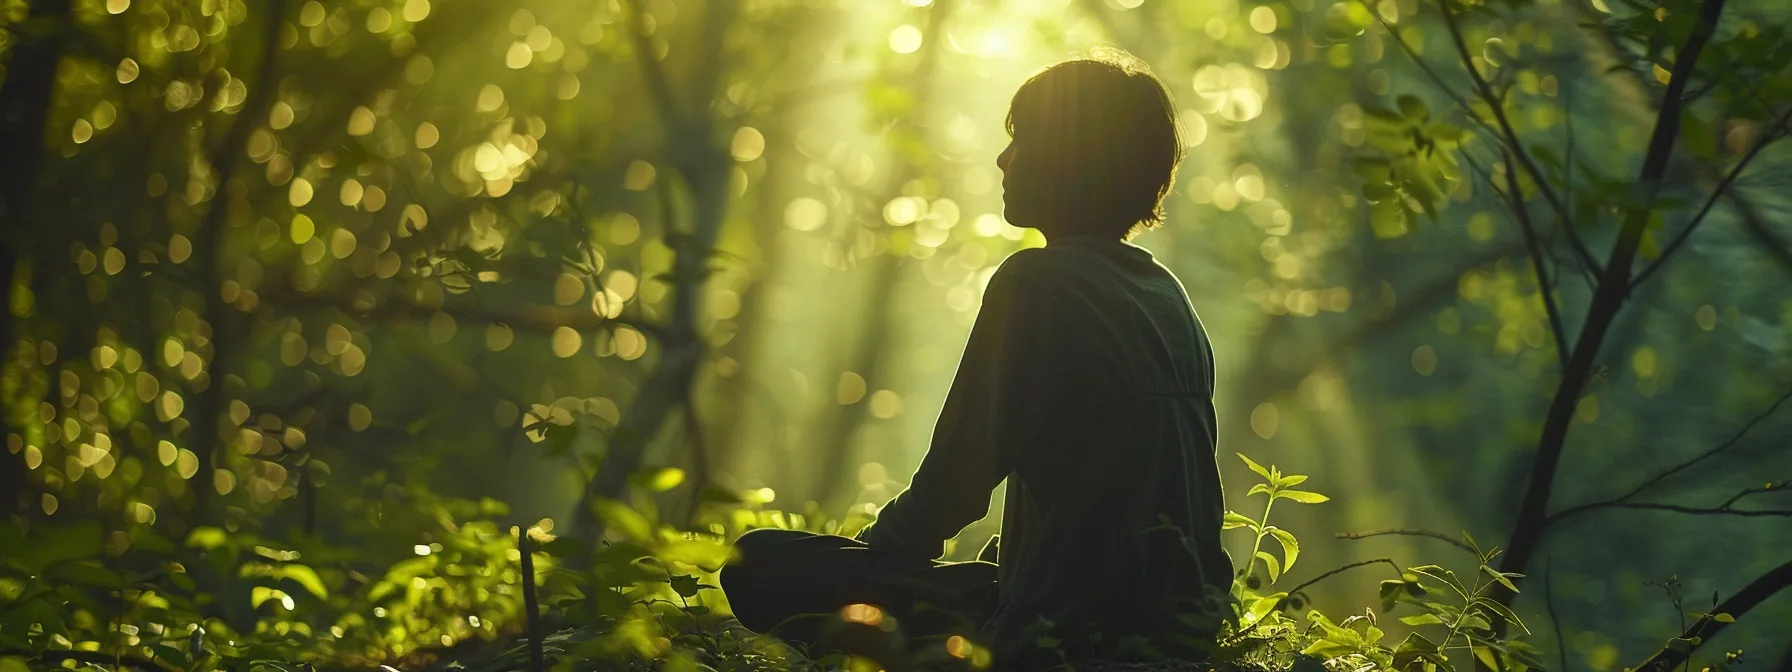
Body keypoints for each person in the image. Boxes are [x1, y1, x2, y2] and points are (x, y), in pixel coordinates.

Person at [720, 50, 1232, 670]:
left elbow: (952, 487)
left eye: (1023, 138)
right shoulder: (1167, 295)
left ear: (1071, 158)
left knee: (760, 563)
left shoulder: (1037, 283)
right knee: (983, 566)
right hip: (1177, 624)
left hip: (1057, 630)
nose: (1002, 158)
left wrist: (866, 567)